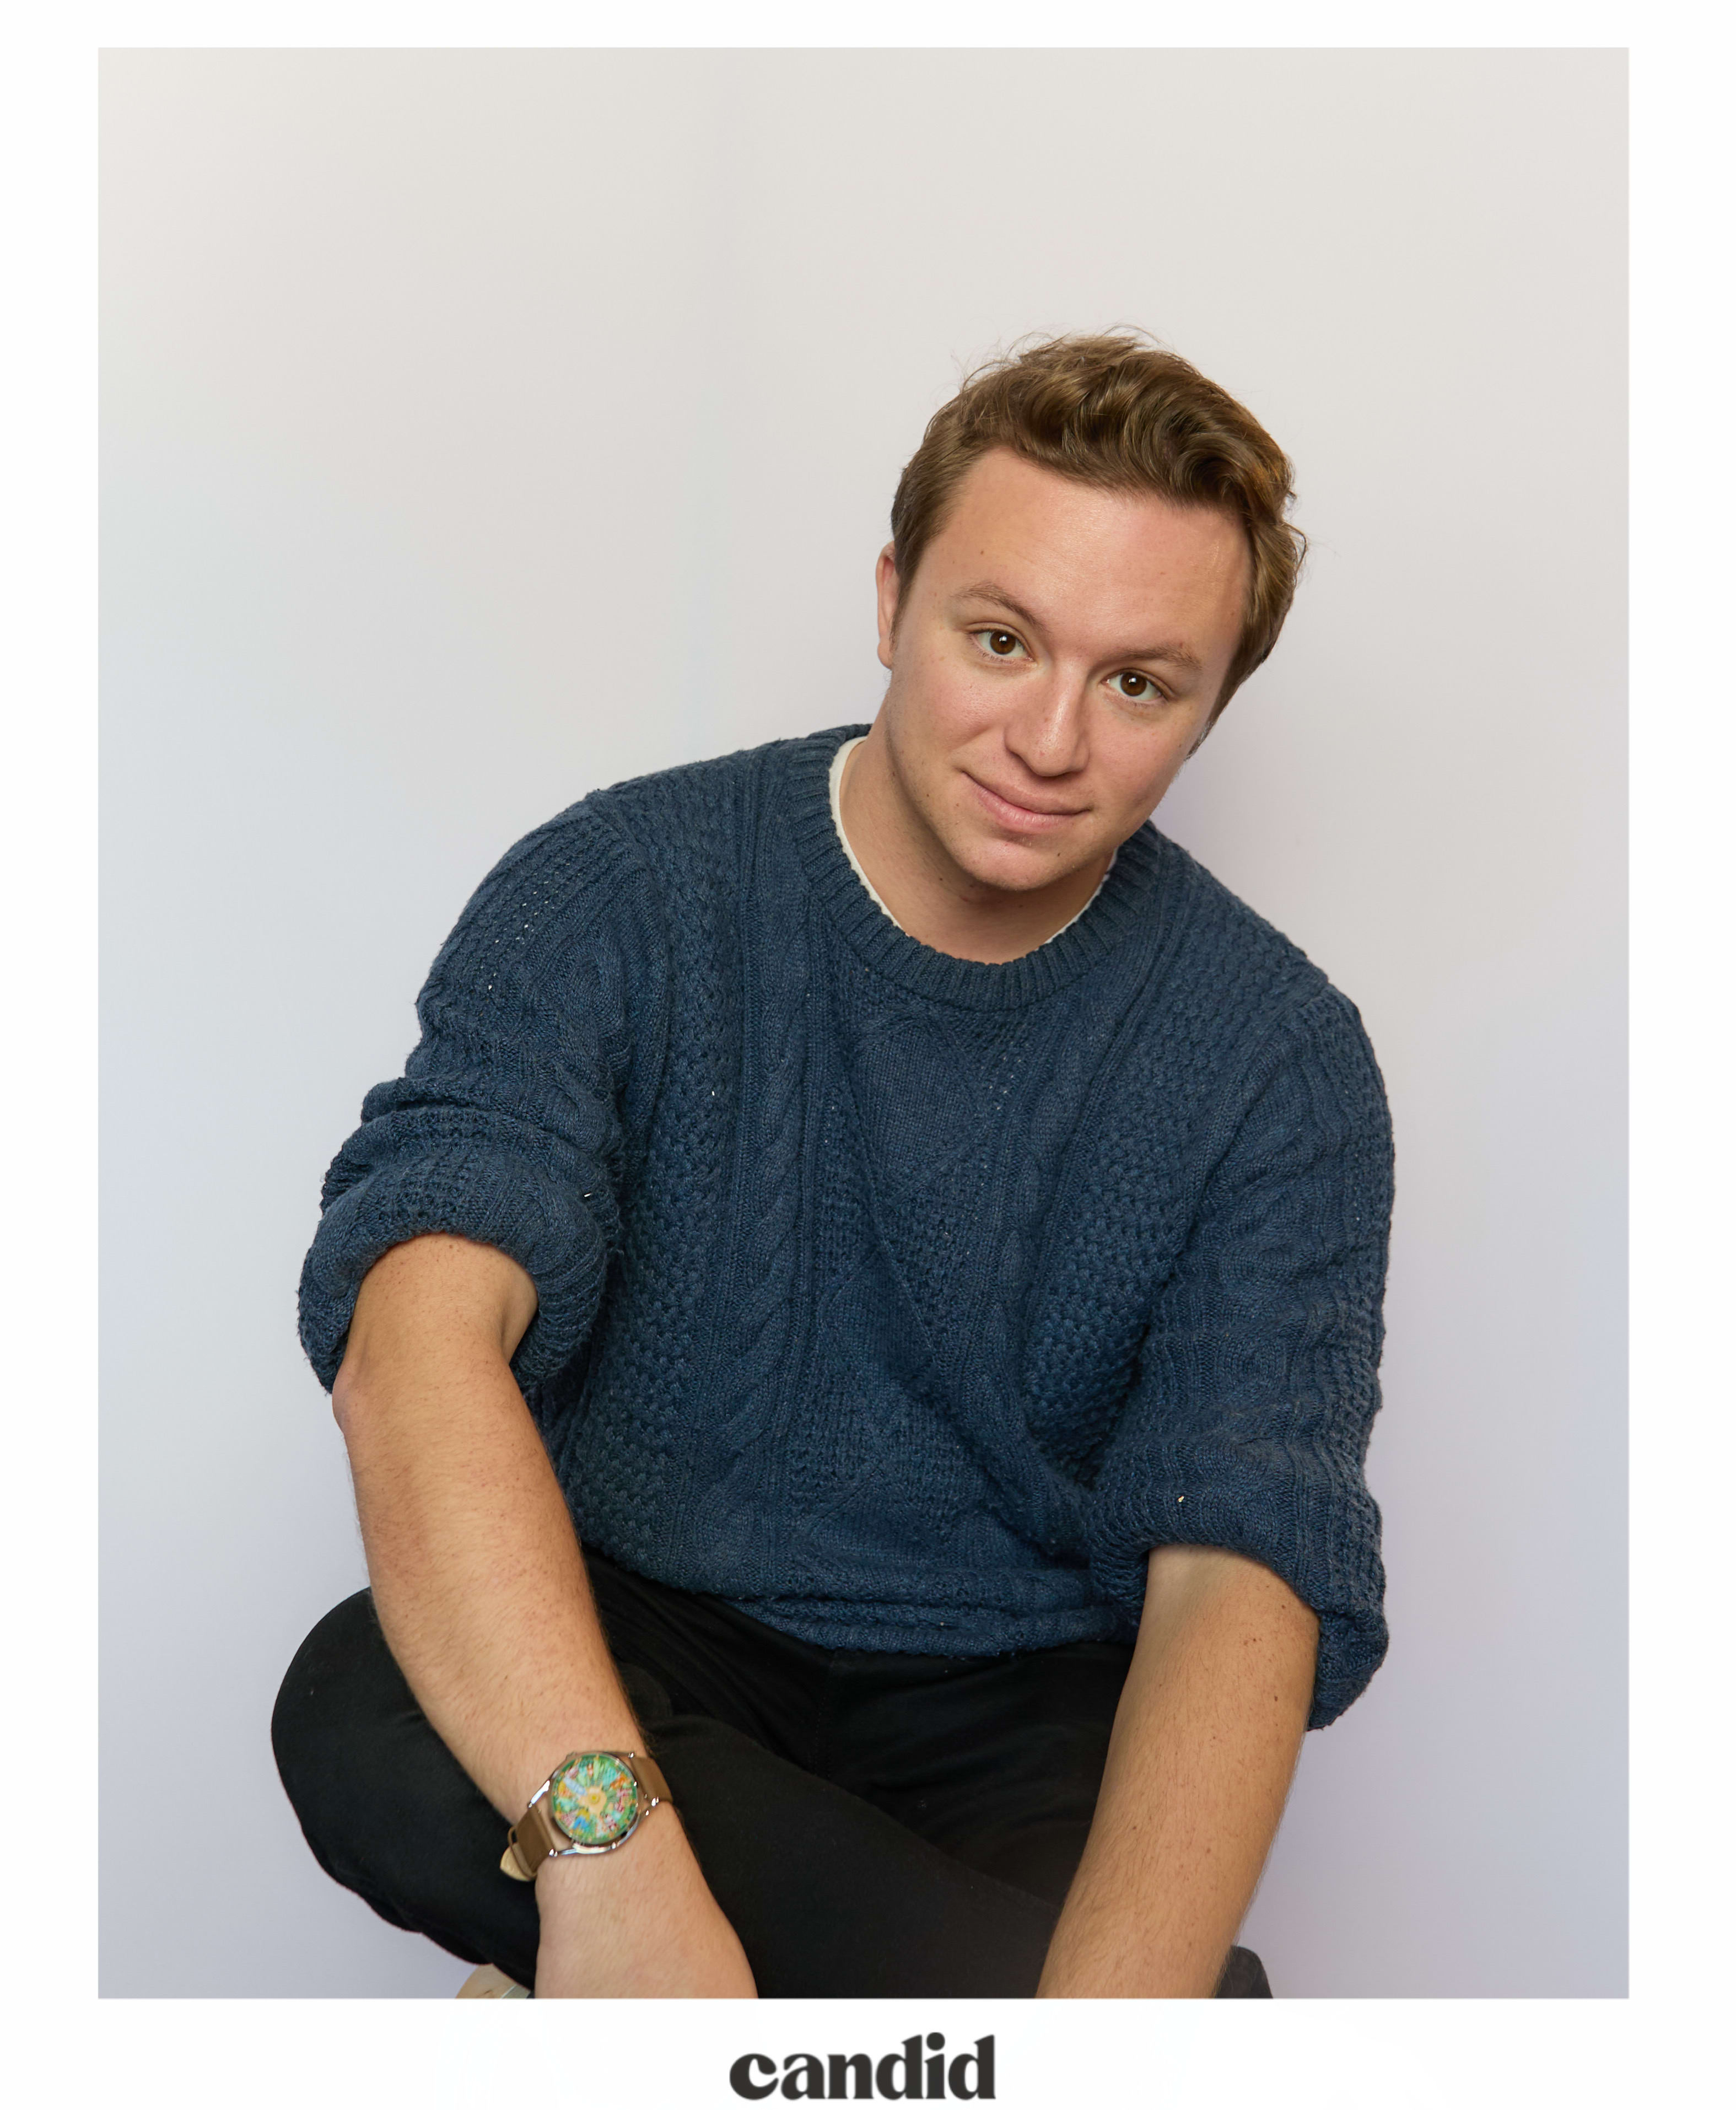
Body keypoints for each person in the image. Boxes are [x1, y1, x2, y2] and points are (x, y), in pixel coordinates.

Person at [273, 331, 1394, 2000]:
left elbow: (1243, 1576)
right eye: (1000, 640)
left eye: (1140, 683)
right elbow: (410, 1345)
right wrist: (615, 1870)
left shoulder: (1278, 1059)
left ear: (1209, 706)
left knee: (1108, 1928)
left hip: (1019, 1706)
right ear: (892, 604)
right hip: (648, 1648)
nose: (1050, 738)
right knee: (362, 1704)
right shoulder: (619, 891)